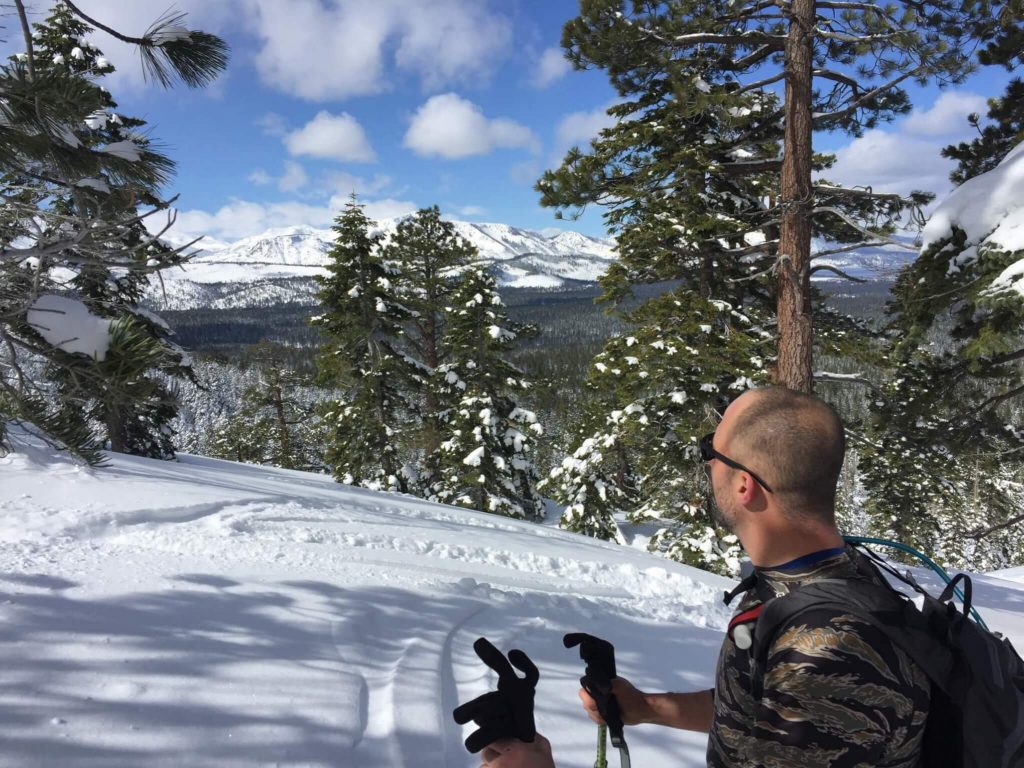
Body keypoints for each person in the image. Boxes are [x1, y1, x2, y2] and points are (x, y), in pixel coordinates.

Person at [479, 387, 930, 768]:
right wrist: (646, 707)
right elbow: (765, 709)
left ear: (744, 485)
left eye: (709, 452)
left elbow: (800, 702)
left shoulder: (825, 649)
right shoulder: (820, 581)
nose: (707, 465)